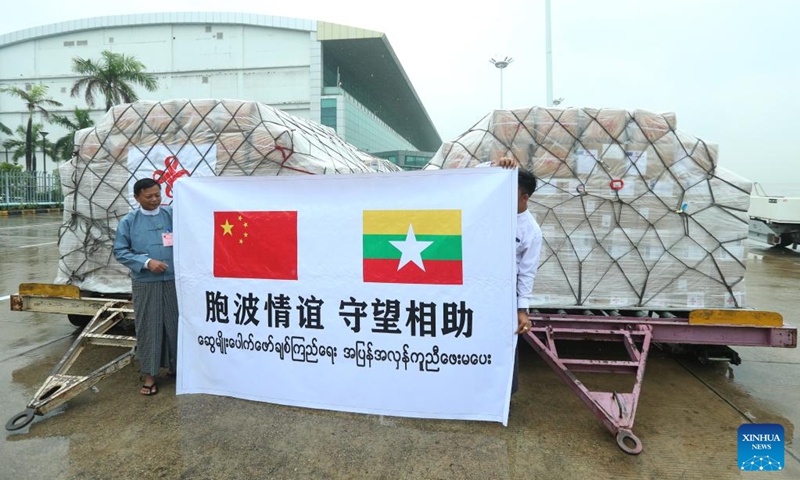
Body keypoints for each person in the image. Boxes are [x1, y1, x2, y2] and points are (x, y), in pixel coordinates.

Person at [113, 178, 179, 396]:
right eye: (149, 196)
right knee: (149, 326)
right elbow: (120, 251)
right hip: (146, 283)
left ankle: (176, 368)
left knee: (175, 325)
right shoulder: (129, 222)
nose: (154, 200)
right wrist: (147, 263)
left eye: (157, 195)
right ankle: (150, 375)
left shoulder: (171, 215)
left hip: (173, 281)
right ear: (137, 197)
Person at [488, 156, 543, 394]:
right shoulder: (489, 212)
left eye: (511, 192)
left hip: (504, 293)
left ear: (525, 197)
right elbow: (469, 183)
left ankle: (501, 398)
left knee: (504, 344)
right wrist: (494, 167)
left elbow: (527, 272)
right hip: (477, 286)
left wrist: (522, 311)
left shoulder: (530, 230)